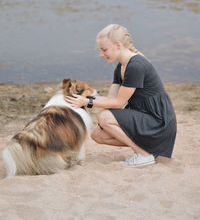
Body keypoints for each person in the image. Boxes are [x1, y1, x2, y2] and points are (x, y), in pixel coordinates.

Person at [65, 24, 177, 167]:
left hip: (158, 122)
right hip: (145, 118)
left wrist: (87, 102)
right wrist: (83, 99)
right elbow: (111, 101)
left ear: (117, 45)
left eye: (104, 49)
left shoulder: (136, 66)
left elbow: (118, 103)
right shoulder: (121, 66)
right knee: (97, 135)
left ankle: (143, 154)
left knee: (104, 117)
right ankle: (148, 149)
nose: (101, 54)